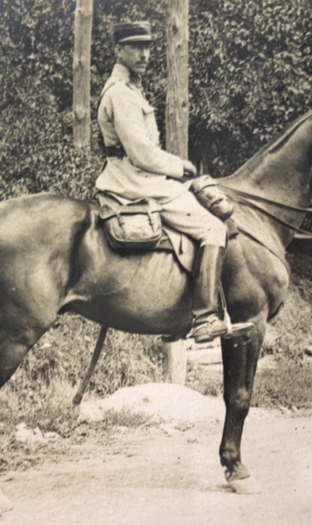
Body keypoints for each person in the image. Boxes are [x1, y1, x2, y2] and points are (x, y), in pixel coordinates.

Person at [95, 21, 230, 343]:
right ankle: (204, 318)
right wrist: (178, 165)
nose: (144, 53)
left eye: (148, 46)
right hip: (135, 181)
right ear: (118, 50)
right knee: (215, 228)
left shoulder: (130, 89)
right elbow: (141, 153)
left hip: (137, 177)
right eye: (135, 46)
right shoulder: (121, 94)